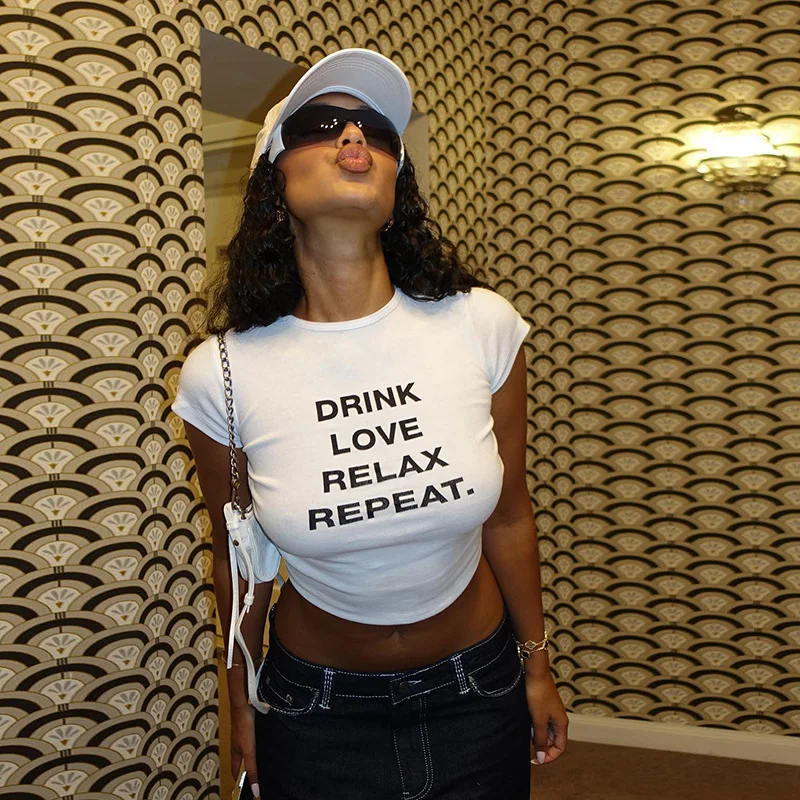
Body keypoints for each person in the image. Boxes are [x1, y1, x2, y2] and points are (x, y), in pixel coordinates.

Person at [172, 47, 568, 800]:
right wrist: (240, 704)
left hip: (477, 688)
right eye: (322, 125)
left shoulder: (481, 326)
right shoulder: (221, 372)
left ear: (396, 182)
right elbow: (239, 563)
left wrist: (537, 665)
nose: (355, 137)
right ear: (274, 178)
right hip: (314, 708)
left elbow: (511, 515)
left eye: (377, 132)